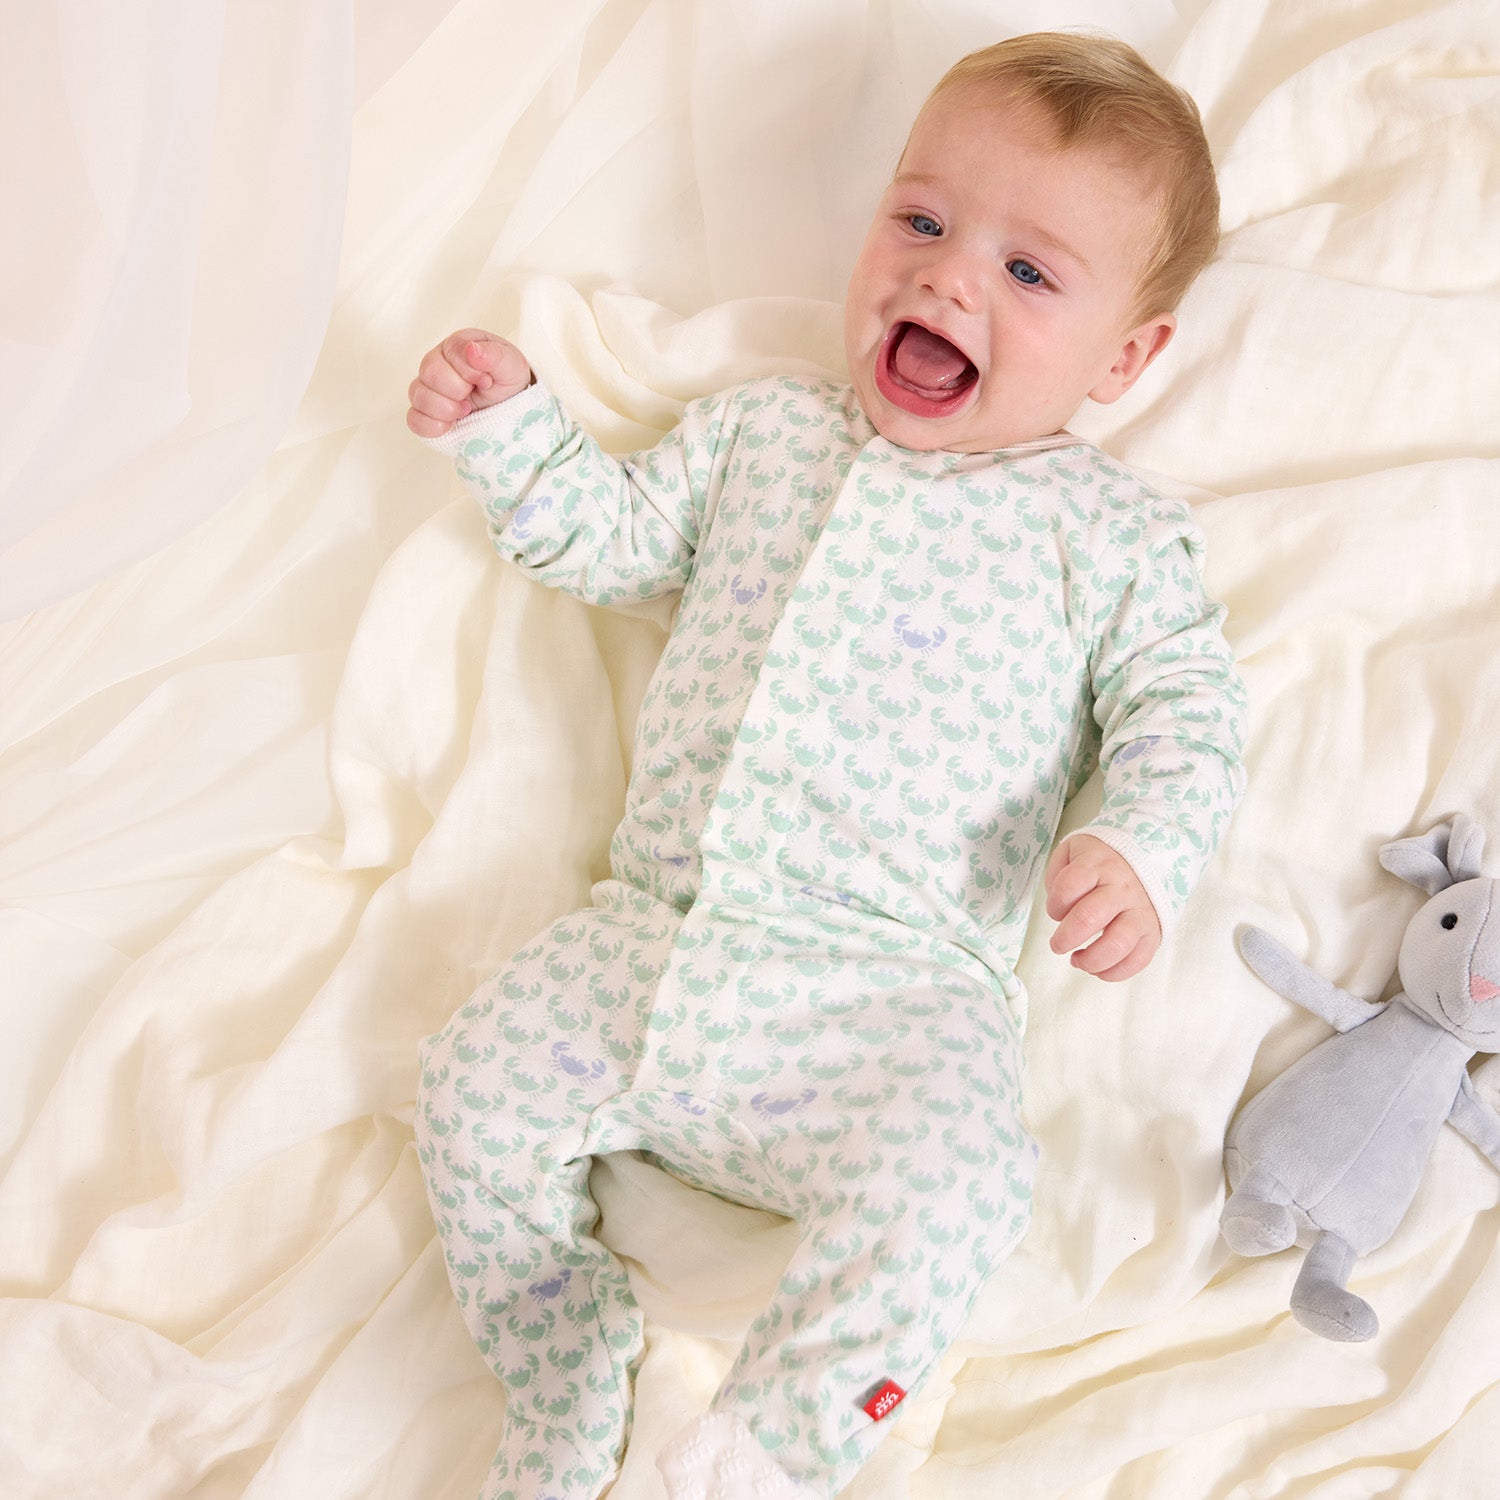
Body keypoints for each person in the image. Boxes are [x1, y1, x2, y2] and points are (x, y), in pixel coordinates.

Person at [408, 30, 1247, 1500]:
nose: (946, 281)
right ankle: (558, 1371)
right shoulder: (759, 435)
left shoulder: (1106, 533)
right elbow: (611, 547)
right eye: (921, 222)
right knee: (467, 1097)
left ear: (1125, 357)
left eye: (1028, 273)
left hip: (891, 1000)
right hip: (656, 941)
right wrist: (513, 435)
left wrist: (1142, 854)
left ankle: (766, 1450)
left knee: (963, 1189)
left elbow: (1187, 715)